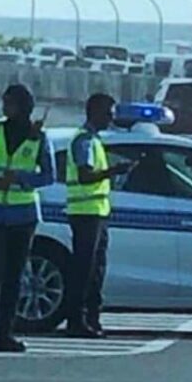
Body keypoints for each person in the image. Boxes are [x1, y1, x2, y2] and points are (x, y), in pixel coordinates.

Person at [0, 84, 55, 353]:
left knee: (14, 275)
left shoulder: (39, 138)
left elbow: (48, 176)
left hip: (23, 214)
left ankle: (6, 333)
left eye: (10, 103)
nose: (5, 108)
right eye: (4, 102)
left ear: (24, 107)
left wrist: (19, 179)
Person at [65, 92, 134, 338]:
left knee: (96, 269)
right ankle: (77, 320)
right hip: (85, 213)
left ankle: (91, 318)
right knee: (84, 270)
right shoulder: (84, 141)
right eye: (108, 114)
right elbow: (85, 176)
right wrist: (114, 170)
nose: (111, 119)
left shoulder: (93, 140)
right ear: (95, 112)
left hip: (96, 213)